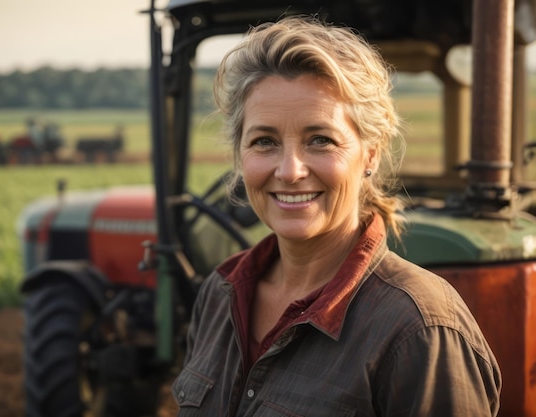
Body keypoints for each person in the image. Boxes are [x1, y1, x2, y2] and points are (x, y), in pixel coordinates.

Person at [172, 16, 502, 416]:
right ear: (240, 155)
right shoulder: (221, 292)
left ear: (370, 154)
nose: (290, 170)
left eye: (320, 140)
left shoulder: (419, 329)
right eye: (264, 141)